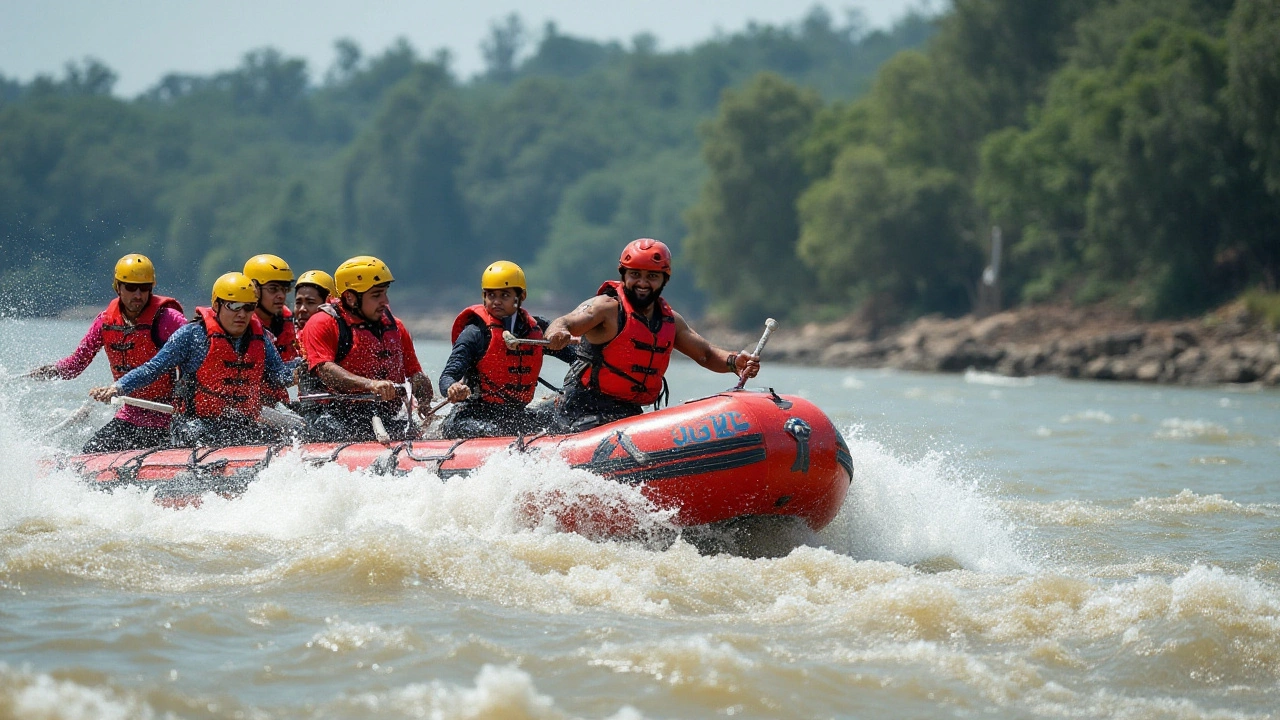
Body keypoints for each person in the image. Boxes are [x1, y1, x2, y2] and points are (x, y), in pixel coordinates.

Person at [544, 238, 761, 432]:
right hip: (582, 408)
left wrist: (735, 362)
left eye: (652, 276)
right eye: (635, 274)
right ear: (623, 275)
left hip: (628, 413)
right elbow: (566, 321)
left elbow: (706, 354)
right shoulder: (606, 308)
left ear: (664, 280)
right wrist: (558, 332)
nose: (642, 282)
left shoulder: (671, 321)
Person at [89, 272, 294, 447]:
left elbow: (281, 376)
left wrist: (304, 368)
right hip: (196, 424)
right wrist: (119, 387)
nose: (242, 314)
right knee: (201, 436)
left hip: (241, 424)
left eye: (248, 307)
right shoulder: (191, 336)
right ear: (217, 304)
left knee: (288, 438)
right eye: (234, 306)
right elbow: (153, 368)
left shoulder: (261, 339)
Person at [28, 254, 185, 452]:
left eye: (144, 288)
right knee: (90, 453)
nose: (138, 295)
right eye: (130, 288)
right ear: (117, 287)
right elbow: (76, 364)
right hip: (130, 415)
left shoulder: (169, 319)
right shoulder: (105, 322)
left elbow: (197, 352)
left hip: (168, 417)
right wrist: (51, 371)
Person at [297, 256, 434, 441]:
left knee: (412, 432)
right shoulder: (323, 323)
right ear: (351, 298)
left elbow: (414, 373)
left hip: (381, 417)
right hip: (330, 417)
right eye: (376, 295)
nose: (385, 301)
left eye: (385, 293)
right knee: (334, 430)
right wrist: (371, 385)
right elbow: (326, 370)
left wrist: (424, 397)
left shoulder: (396, 327)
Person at [438, 261, 575, 439]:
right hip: (472, 415)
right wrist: (452, 387)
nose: (496, 301)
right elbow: (447, 376)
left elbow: (578, 359)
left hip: (515, 415)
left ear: (521, 296)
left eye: (504, 295)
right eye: (490, 295)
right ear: (483, 296)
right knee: (494, 432)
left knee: (566, 418)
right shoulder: (475, 333)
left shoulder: (537, 330)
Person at [244, 254, 299, 406]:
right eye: (273, 289)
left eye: (284, 289)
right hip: (254, 406)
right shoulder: (241, 327)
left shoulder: (288, 320)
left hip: (284, 402)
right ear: (254, 289)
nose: (281, 296)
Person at [291, 270, 336, 401]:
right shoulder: (288, 333)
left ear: (327, 305)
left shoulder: (338, 335)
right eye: (298, 302)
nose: (302, 309)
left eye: (310, 303)